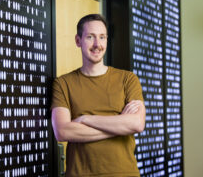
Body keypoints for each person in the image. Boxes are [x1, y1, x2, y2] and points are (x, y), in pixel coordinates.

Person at [51, 14, 146, 177]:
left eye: (102, 37)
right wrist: (120, 126)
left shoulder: (128, 79)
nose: (97, 44)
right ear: (78, 40)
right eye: (90, 37)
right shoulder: (63, 83)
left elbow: (136, 124)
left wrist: (86, 119)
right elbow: (63, 131)